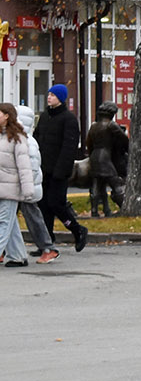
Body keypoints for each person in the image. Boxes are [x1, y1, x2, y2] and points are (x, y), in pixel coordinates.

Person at [34, 83, 87, 252]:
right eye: (49, 94)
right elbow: (36, 139)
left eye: (53, 95)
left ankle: (77, 229)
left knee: (56, 204)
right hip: (43, 169)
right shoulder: (44, 116)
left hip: (58, 171)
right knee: (43, 206)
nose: (49, 97)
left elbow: (68, 148)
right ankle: (46, 243)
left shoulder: (68, 119)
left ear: (61, 98)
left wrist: (60, 170)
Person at [15, 104, 59, 263]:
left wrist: (27, 187)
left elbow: (32, 167)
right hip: (21, 186)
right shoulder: (23, 139)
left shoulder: (26, 141)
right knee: (10, 219)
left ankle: (48, 247)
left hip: (26, 187)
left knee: (33, 218)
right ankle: (8, 249)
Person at [0, 102, 36, 267]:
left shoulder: (18, 138)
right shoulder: (1, 136)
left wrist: (28, 190)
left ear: (7, 116)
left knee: (4, 222)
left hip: (11, 187)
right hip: (2, 186)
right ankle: (18, 256)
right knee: (10, 223)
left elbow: (24, 166)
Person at [84, 101, 129, 218]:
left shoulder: (93, 126)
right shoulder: (111, 125)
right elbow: (124, 139)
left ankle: (95, 211)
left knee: (97, 184)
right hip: (105, 157)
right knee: (115, 182)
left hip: (94, 156)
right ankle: (124, 207)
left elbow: (89, 143)